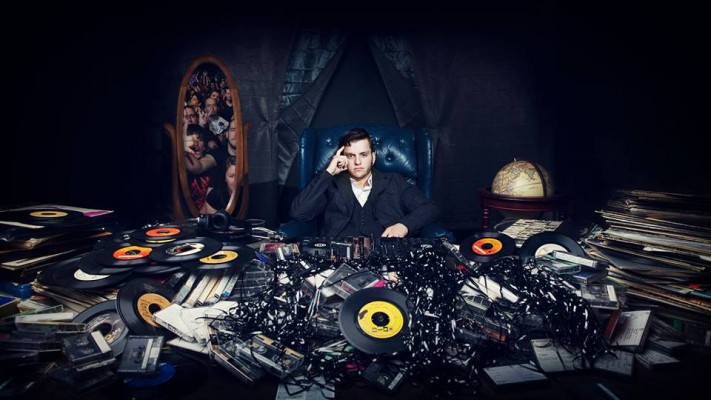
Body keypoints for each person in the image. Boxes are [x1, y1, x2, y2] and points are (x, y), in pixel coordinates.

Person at [290, 128, 440, 238]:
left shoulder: (394, 181)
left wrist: (404, 225)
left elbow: (430, 208)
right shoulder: (330, 184)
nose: (357, 162)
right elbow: (299, 213)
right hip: (338, 257)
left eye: (363, 155)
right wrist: (328, 172)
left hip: (385, 256)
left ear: (373, 157)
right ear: (343, 158)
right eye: (351, 156)